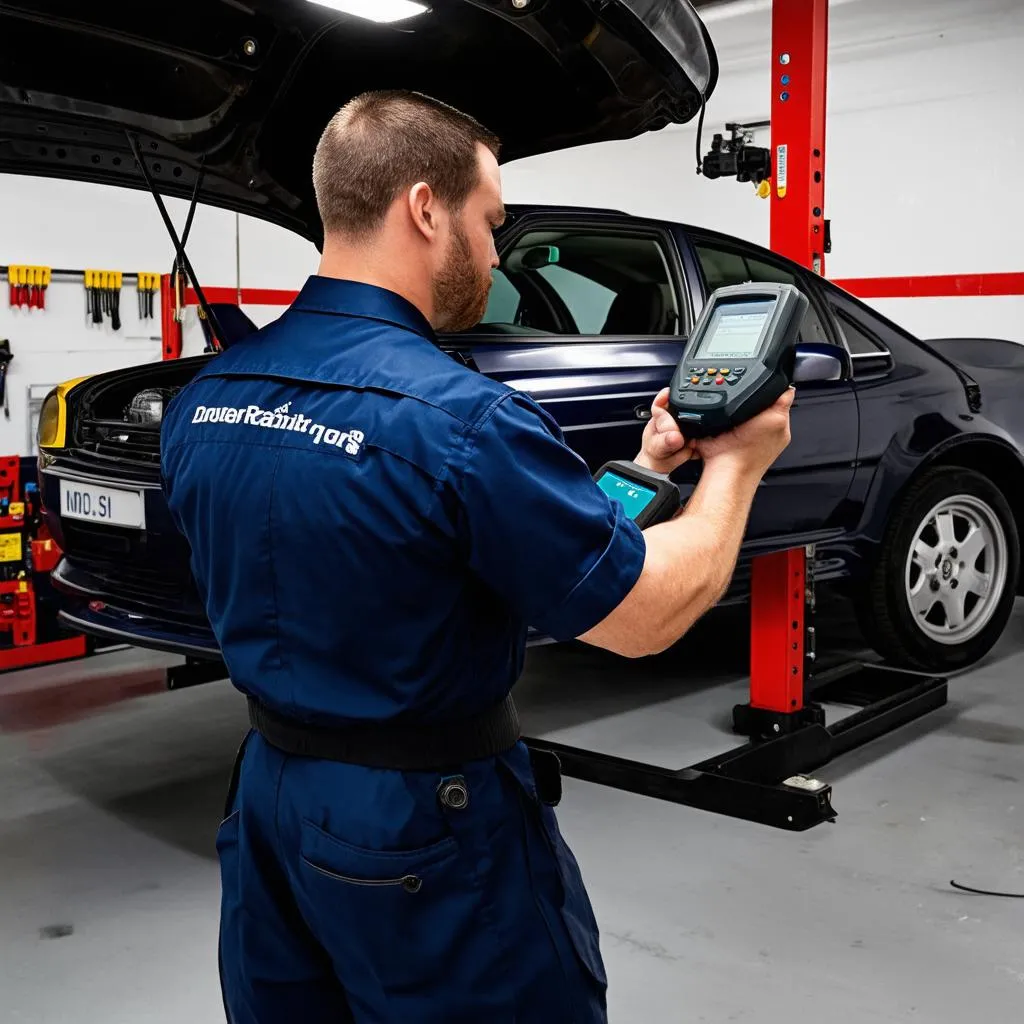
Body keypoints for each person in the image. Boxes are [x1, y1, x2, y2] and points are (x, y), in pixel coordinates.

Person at [160, 89, 793, 1024]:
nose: (497, 259)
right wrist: (738, 468)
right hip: (425, 830)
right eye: (490, 223)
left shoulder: (207, 396)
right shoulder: (460, 419)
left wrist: (653, 466)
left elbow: (410, 554)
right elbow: (647, 615)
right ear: (425, 208)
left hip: (267, 801)